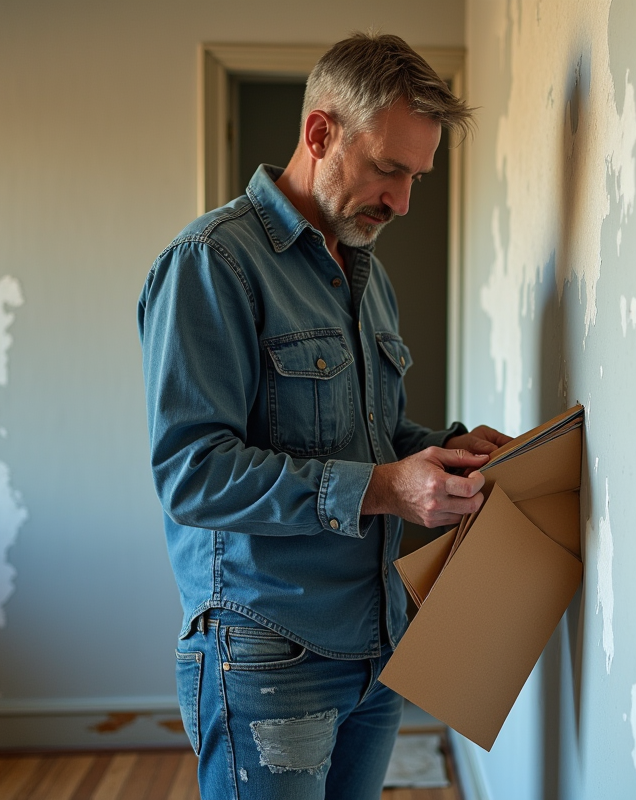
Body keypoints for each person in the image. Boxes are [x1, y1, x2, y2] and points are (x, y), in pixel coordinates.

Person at [138, 32, 511, 800]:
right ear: (320, 133)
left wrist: (444, 454)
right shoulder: (212, 263)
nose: (403, 202)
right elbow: (193, 474)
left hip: (377, 652)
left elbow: (372, 439)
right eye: (389, 169)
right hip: (269, 657)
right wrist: (386, 488)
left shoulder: (366, 274)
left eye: (418, 177)